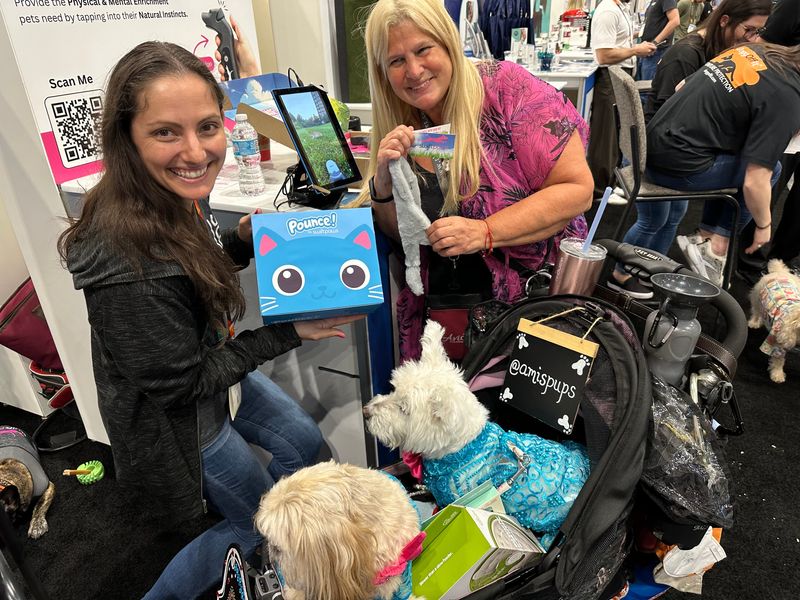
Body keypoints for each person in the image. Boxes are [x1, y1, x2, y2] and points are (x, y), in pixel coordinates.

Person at [57, 41, 358, 599]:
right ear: (128, 137)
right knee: (257, 525)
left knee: (307, 452)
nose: (195, 151)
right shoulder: (127, 263)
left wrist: (242, 240)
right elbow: (182, 384)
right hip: (185, 416)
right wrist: (286, 334)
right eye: (166, 132)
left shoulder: (174, 195)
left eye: (207, 126)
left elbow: (196, 274)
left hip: (219, 373)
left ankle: (296, 553)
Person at [358, 0, 593, 361]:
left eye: (423, 50)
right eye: (396, 61)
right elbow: (400, 234)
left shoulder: (508, 90)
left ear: (448, 44)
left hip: (533, 310)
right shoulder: (404, 119)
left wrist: (484, 232)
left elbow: (576, 190)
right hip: (446, 314)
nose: (414, 70)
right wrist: (383, 187)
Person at [643, 43, 800, 286]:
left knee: (746, 159)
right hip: (674, 165)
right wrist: (763, 226)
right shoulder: (788, 96)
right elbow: (755, 182)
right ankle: (716, 247)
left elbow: (680, 86)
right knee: (771, 171)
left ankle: (706, 239)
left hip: (652, 144)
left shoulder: (754, 51)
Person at [644, 0, 772, 122]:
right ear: (724, 21)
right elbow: (673, 116)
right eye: (748, 29)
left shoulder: (724, 51)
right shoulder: (685, 55)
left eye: (758, 31)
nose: (753, 39)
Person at [588, 0, 657, 197]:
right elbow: (604, 55)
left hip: (619, 73)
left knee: (614, 132)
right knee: (606, 135)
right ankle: (599, 190)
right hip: (610, 76)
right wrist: (636, 50)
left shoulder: (619, 8)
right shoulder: (608, 11)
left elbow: (615, 43)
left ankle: (608, 182)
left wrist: (634, 42)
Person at [638, 0, 681, 81]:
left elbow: (675, 20)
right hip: (646, 48)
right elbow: (653, 24)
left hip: (656, 51)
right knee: (641, 84)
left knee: (646, 87)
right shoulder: (653, 2)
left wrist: (655, 42)